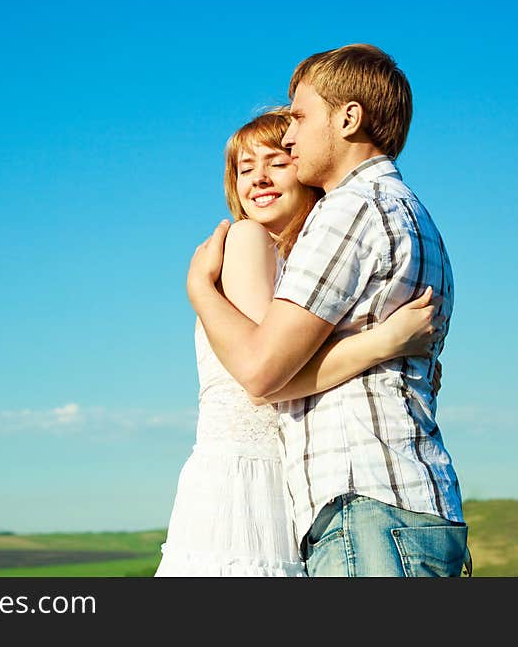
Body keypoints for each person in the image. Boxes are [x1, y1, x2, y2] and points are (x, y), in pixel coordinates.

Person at [187, 45, 470, 577]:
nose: (290, 139)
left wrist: (199, 289)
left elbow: (263, 372)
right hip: (385, 499)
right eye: (247, 166)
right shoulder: (408, 211)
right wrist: (383, 343)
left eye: (298, 119)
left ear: (348, 118)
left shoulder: (351, 209)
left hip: (367, 499)